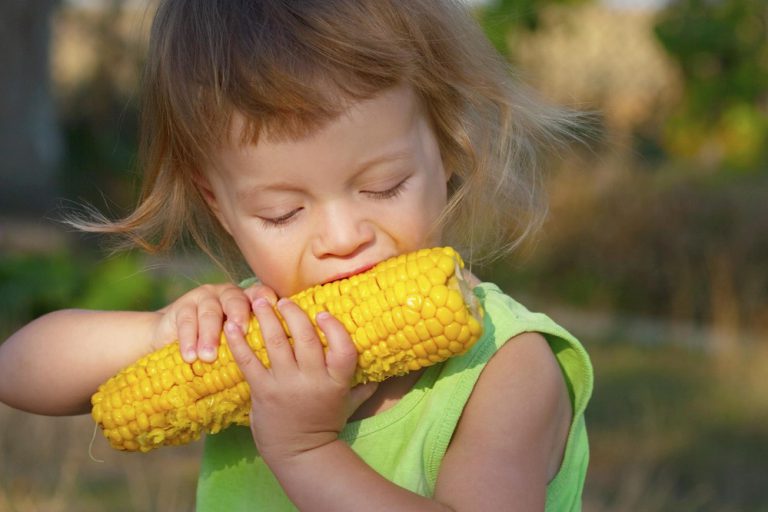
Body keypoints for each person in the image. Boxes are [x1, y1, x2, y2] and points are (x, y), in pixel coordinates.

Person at [0, 0, 593, 510]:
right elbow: (17, 372)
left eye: (383, 185)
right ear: (220, 204)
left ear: (448, 148)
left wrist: (307, 450)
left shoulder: (508, 370)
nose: (341, 236)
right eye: (282, 213)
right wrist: (157, 333)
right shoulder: (258, 328)